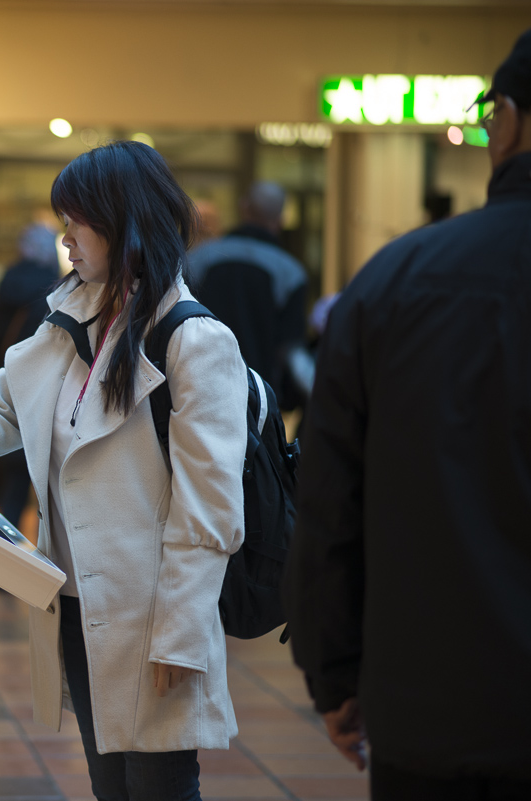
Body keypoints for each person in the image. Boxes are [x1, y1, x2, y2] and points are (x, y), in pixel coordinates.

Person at [0, 141, 247, 800]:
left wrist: (180, 634)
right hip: (81, 608)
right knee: (112, 787)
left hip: (152, 615)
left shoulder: (193, 341)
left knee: (162, 787)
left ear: (122, 223)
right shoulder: (71, 320)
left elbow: (209, 507)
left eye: (76, 221)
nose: (66, 238)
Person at [282, 29, 531, 800]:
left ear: (510, 123)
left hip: (438, 711)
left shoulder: (396, 283)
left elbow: (328, 500)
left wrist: (336, 672)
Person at [187, 182, 307, 406]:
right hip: (259, 400)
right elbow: (290, 350)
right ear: (280, 218)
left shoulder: (197, 260)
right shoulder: (290, 272)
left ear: (243, 207)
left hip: (198, 391)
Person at [0, 221, 61, 532]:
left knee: (15, 475)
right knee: (46, 481)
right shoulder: (54, 284)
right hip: (47, 387)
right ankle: (42, 564)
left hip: (13, 381)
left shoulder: (9, 277)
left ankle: (7, 546)